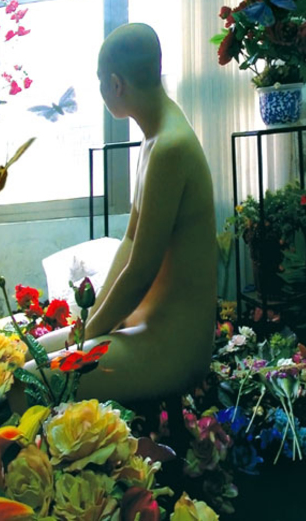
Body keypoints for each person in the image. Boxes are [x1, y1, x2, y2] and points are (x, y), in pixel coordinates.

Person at [19, 23, 217, 404]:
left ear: (115, 84)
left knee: (27, 384)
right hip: (139, 325)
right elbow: (129, 242)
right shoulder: (154, 137)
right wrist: (89, 323)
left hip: (171, 347)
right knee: (26, 356)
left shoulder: (170, 147)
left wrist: (92, 333)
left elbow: (141, 271)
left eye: (100, 82)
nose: (101, 91)